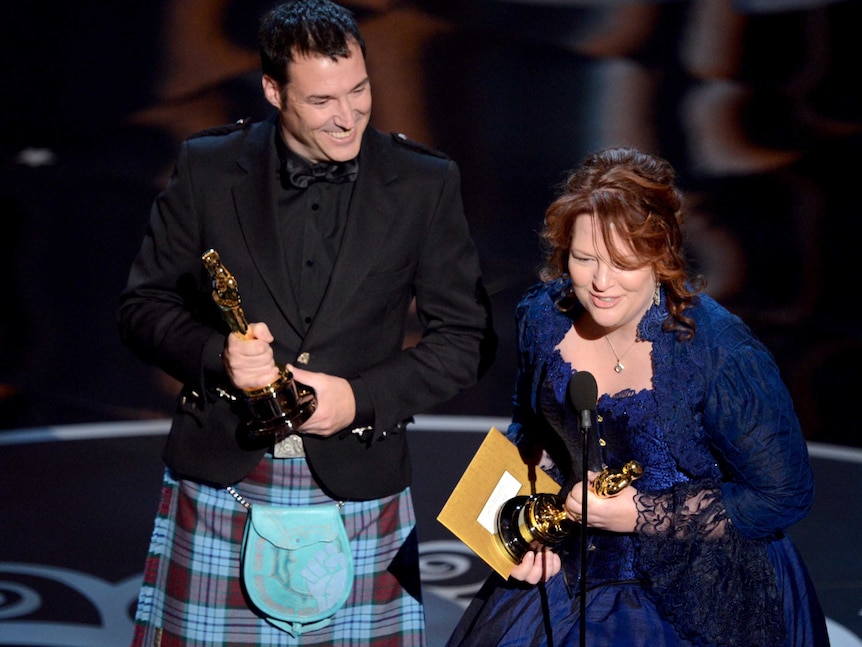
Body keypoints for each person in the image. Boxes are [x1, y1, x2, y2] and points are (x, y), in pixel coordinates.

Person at [117, 0, 495, 644]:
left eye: (359, 90)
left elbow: (467, 340)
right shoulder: (209, 168)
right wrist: (218, 356)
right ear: (273, 90)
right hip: (223, 481)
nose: (347, 116)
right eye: (322, 101)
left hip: (359, 483)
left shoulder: (423, 183)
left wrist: (359, 397)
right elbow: (143, 308)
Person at [447, 147, 829, 646]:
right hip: (573, 563)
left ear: (660, 255)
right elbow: (531, 427)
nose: (601, 283)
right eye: (585, 259)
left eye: (623, 263)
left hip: (702, 581)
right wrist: (523, 537)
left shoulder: (719, 351)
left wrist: (641, 513)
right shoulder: (543, 318)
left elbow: (783, 497)